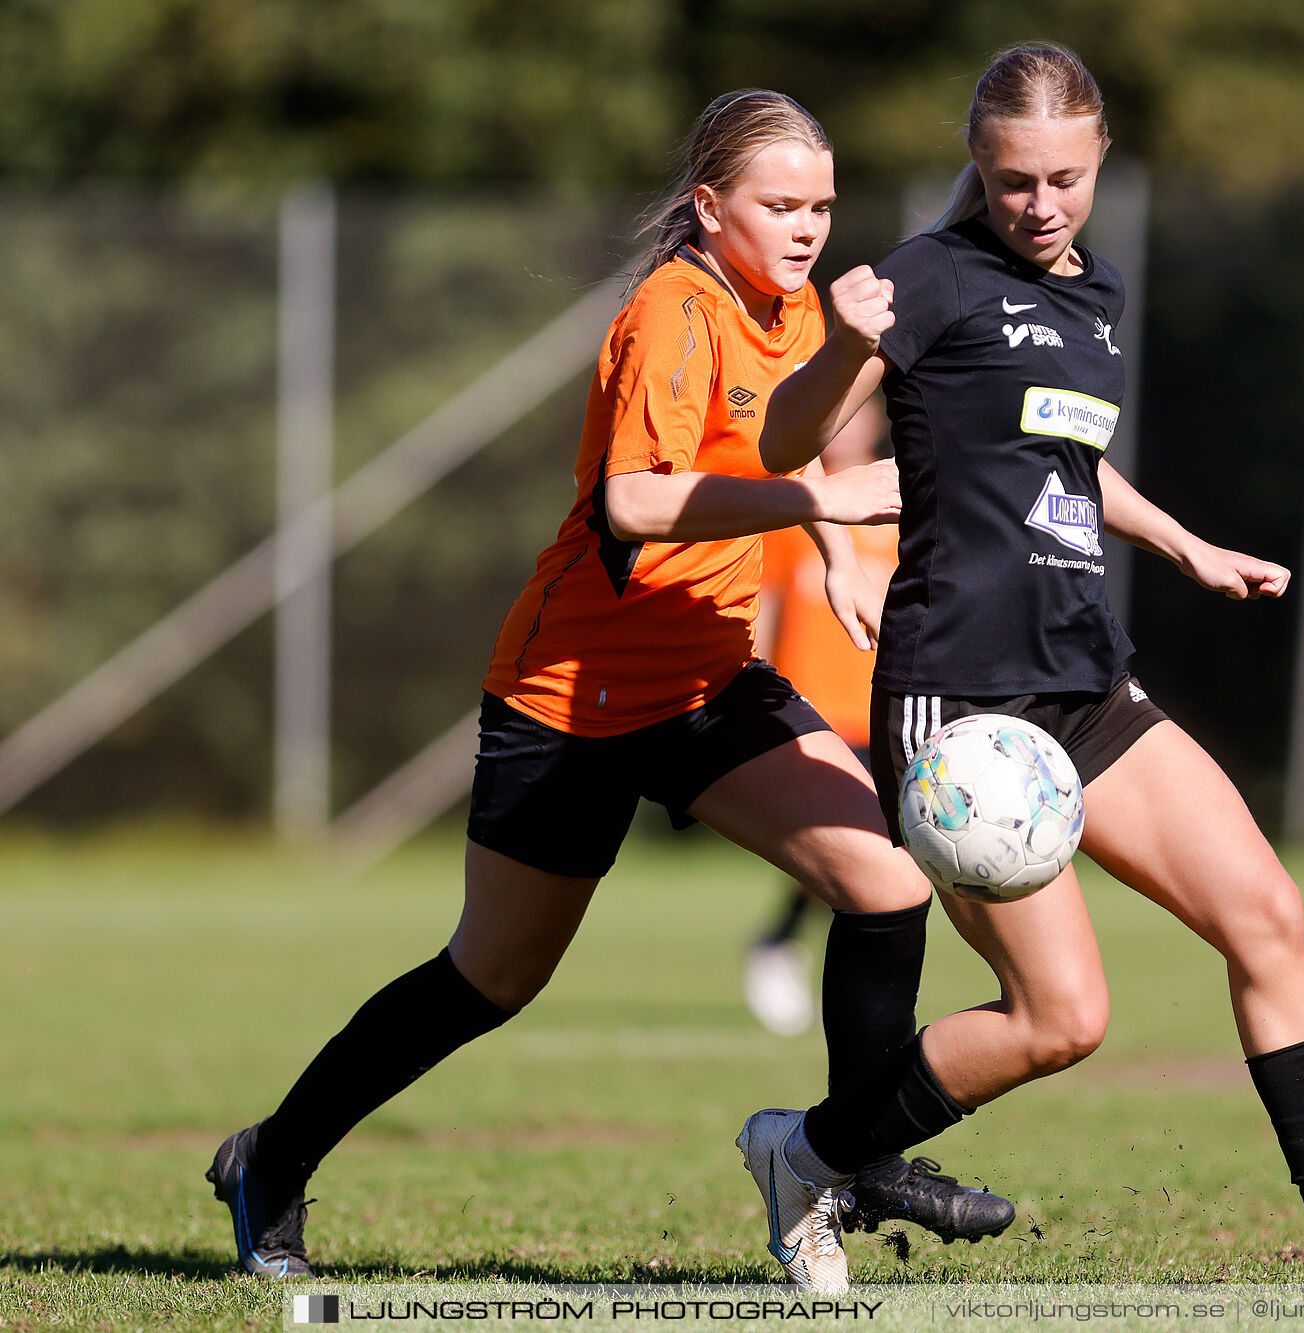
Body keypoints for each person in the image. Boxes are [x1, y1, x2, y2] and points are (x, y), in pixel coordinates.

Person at [204, 88, 1006, 1297]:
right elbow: (636, 502)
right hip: (569, 697)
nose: (806, 227)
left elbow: (800, 446)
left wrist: (836, 547)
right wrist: (816, 510)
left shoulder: (793, 309)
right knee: (491, 977)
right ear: (708, 206)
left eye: (823, 205)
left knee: (887, 883)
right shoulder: (670, 313)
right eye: (778, 205)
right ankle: (270, 1160)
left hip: (709, 679)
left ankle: (856, 1153)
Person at [756, 43, 1304, 1288]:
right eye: (1010, 182)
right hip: (961, 703)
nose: (1038, 205)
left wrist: (1186, 543)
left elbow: (1062, 460)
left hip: (1086, 680)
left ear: (1100, 157)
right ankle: (809, 1155)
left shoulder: (1095, 294)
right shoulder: (927, 281)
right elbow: (787, 440)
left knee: (1266, 913)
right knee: (1063, 1020)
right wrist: (838, 350)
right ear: (977, 168)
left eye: (1061, 177)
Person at [744, 397, 894, 1038]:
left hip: (886, 707)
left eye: (859, 413)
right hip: (813, 711)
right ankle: (787, 950)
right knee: (860, 851)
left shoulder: (903, 509)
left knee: (881, 853)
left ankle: (784, 942)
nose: (847, 426)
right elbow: (764, 614)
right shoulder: (797, 506)